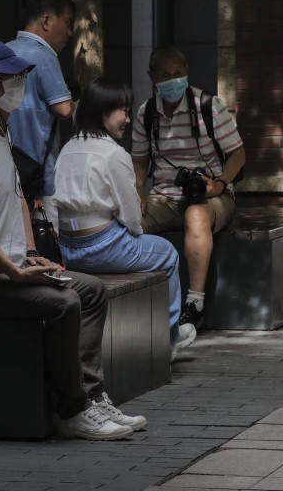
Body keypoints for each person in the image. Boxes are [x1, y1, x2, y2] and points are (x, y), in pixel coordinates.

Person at [0, 40, 145, 441]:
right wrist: (12, 269)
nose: (19, 85)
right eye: (11, 79)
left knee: (92, 290)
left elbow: (16, 204)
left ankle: (91, 396)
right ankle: (72, 409)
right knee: (63, 303)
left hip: (2, 268)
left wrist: (29, 256)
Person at [53, 77, 197, 362]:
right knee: (167, 253)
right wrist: (135, 230)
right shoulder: (114, 154)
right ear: (103, 110)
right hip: (105, 247)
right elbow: (131, 216)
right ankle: (168, 337)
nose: (128, 120)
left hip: (68, 249)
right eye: (123, 111)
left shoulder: (68, 148)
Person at [131, 46, 246, 329]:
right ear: (151, 77)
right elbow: (139, 162)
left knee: (195, 215)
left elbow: (238, 154)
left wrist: (219, 185)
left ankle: (195, 304)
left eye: (177, 73)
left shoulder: (208, 106)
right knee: (130, 220)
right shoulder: (146, 114)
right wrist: (137, 193)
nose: (172, 80)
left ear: (186, 71)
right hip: (164, 198)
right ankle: (138, 301)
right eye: (164, 75)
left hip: (211, 196)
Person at [5, 0, 75, 223]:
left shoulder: (4, 51)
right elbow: (64, 109)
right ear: (46, 21)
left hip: (4, 171)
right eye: (67, 22)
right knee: (42, 246)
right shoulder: (44, 56)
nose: (70, 32)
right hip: (36, 175)